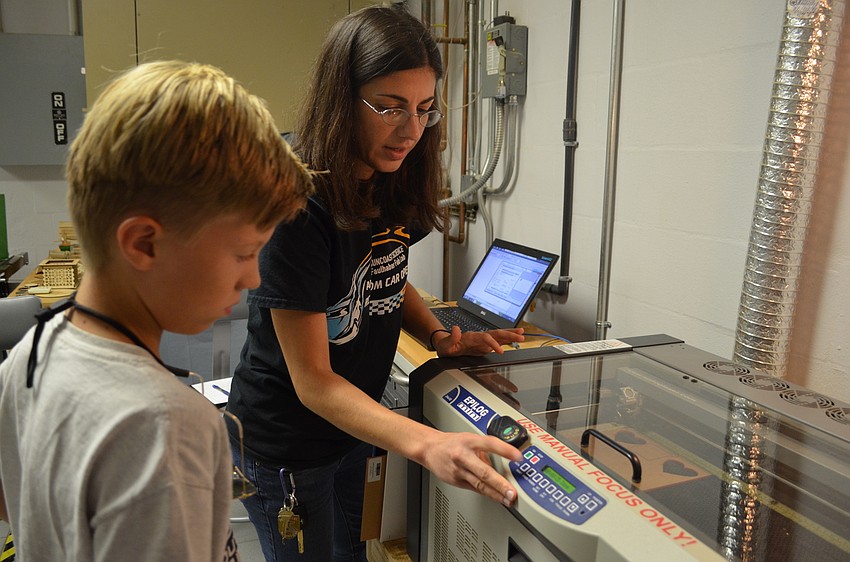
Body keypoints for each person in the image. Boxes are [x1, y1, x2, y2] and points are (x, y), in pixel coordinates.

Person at [225, 4, 526, 561]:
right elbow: (313, 382)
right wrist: (426, 443)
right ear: (343, 99)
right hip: (289, 442)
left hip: (354, 427)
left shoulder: (389, 173)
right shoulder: (296, 198)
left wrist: (440, 336)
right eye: (389, 107)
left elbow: (382, 271)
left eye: (424, 110)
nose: (410, 130)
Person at [0, 60, 313, 561]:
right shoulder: (168, 427)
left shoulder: (33, 351)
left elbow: (12, 498)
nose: (253, 278)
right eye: (242, 252)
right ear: (144, 242)